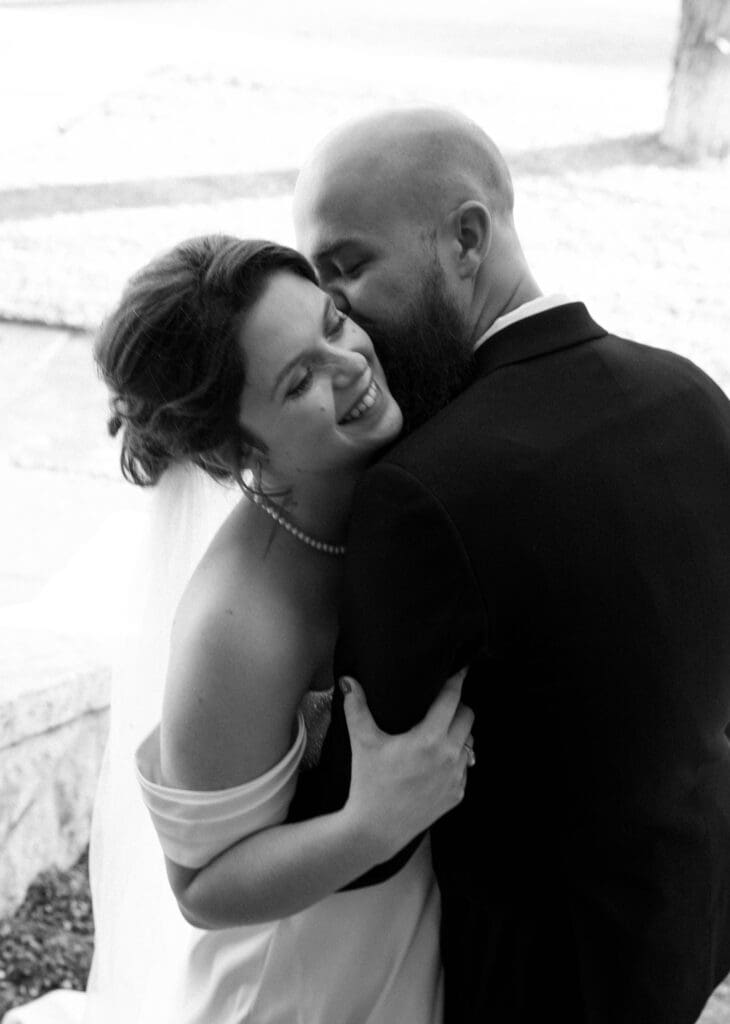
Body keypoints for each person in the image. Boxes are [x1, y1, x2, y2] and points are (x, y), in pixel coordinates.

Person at [289, 106, 730, 1023]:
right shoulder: (692, 392)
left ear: (466, 237)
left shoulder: (421, 490)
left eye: (348, 268)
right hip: (689, 921)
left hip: (537, 981)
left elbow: (363, 836)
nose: (340, 318)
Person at [84, 234, 476, 1024]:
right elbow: (203, 887)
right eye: (301, 380)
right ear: (235, 448)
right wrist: (374, 823)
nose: (352, 366)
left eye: (333, 324)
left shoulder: (376, 477)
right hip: (292, 992)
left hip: (402, 948)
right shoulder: (239, 621)